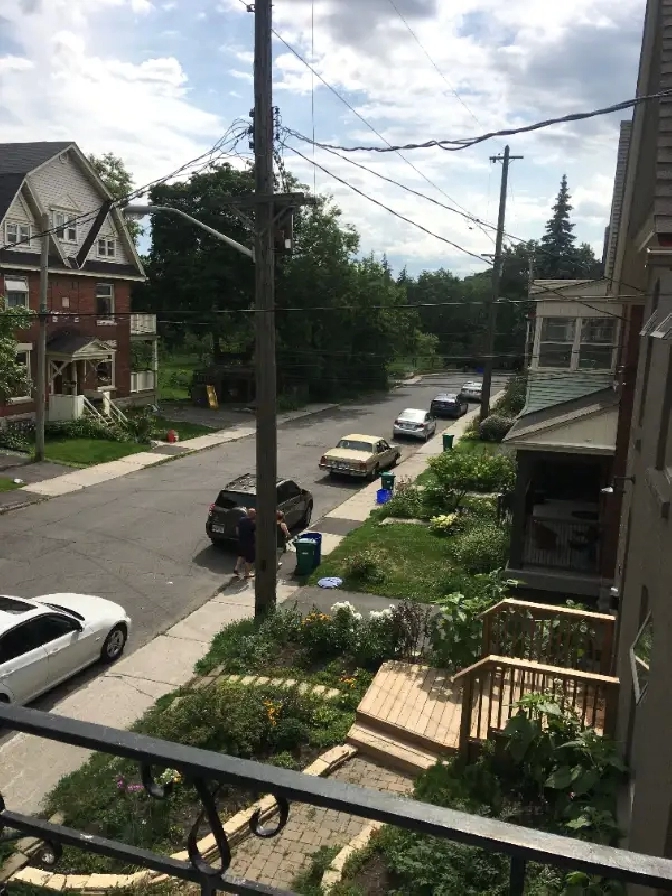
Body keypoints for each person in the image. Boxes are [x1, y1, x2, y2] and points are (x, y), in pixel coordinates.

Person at [235, 508, 256, 579]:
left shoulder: (241, 520)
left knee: (241, 555)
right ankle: (247, 574)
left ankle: (236, 568)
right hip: (249, 543)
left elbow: (237, 530)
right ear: (253, 515)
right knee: (249, 559)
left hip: (241, 541)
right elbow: (255, 533)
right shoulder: (253, 523)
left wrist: (240, 536)